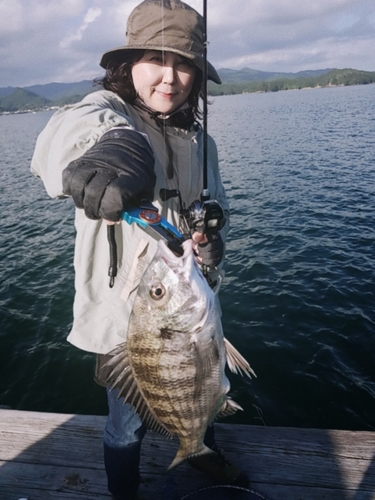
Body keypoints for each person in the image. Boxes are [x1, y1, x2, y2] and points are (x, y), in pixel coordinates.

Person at [31, 0, 249, 498]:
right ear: (127, 67)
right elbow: (56, 143)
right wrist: (111, 148)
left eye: (184, 63)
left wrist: (214, 246)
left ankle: (199, 454)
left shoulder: (202, 142)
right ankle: (123, 492)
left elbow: (218, 213)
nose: (171, 77)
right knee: (125, 427)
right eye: (157, 59)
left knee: (204, 399)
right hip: (121, 325)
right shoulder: (108, 114)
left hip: (187, 305)